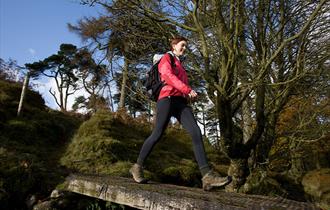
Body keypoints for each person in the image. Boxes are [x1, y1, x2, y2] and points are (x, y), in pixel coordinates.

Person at [130, 36, 231, 191]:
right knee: (157, 134)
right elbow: (168, 77)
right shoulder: (167, 58)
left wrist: (187, 95)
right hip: (167, 99)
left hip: (180, 102)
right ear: (174, 46)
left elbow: (180, 83)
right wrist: (188, 90)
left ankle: (207, 176)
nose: (184, 48)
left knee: (196, 132)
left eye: (185, 46)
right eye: (182, 45)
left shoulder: (181, 65)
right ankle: (137, 167)